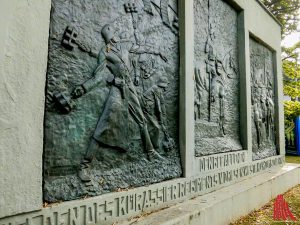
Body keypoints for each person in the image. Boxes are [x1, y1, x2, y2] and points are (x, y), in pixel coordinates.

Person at [72, 24, 167, 182]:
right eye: (112, 34)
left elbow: (141, 49)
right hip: (117, 90)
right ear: (109, 37)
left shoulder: (125, 45)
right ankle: (85, 165)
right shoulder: (105, 52)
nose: (115, 35)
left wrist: (157, 51)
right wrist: (84, 87)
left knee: (141, 120)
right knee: (104, 124)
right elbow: (99, 76)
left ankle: (150, 152)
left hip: (129, 88)